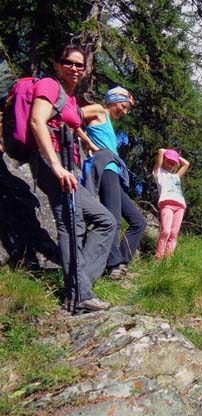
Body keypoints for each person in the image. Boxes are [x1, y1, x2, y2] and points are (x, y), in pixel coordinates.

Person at [29, 44, 115, 312]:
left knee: (106, 221)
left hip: (70, 167)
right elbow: (36, 121)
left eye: (80, 65)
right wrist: (56, 166)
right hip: (52, 163)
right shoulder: (48, 85)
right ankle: (80, 294)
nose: (75, 68)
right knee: (71, 224)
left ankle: (79, 286)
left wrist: (89, 144)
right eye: (69, 63)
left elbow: (72, 124)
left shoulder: (70, 97)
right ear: (56, 64)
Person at [78, 86, 146, 280]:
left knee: (138, 222)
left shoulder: (106, 119)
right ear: (113, 100)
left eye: (127, 109)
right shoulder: (99, 110)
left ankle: (122, 260)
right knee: (114, 220)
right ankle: (113, 266)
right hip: (105, 169)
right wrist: (88, 143)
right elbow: (72, 117)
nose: (124, 111)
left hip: (114, 172)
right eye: (123, 106)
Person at [152, 148, 189, 259]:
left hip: (180, 206)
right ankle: (158, 258)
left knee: (173, 234)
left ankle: (167, 261)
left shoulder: (176, 176)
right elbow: (160, 151)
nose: (170, 165)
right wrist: (168, 152)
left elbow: (187, 164)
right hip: (167, 204)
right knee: (166, 231)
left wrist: (175, 156)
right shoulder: (158, 173)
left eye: (173, 164)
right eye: (169, 161)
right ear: (164, 160)